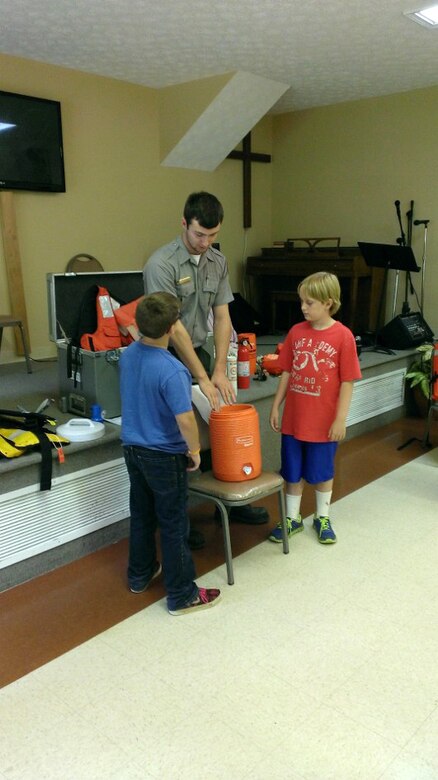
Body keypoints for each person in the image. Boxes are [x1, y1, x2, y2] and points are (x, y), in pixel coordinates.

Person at [143, 191, 269, 530]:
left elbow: (223, 316)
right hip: (163, 357)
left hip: (200, 351)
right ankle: (181, 524)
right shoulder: (161, 264)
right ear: (184, 223)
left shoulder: (217, 261)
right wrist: (201, 376)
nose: (205, 242)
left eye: (213, 236)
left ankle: (227, 504)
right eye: (200, 234)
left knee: (219, 419)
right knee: (177, 437)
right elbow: (175, 327)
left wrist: (218, 369)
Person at [119, 291, 221, 615]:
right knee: (175, 523)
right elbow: (185, 418)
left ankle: (140, 573)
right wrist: (194, 451)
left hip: (132, 449)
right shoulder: (173, 369)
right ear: (171, 328)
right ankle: (181, 594)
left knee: (143, 515)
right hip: (163, 455)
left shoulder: (128, 355)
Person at [267, 271, 361, 545]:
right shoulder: (296, 332)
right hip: (294, 421)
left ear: (328, 303)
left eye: (309, 303)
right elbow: (286, 372)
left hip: (323, 423)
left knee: (322, 472)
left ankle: (322, 516)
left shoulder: (343, 336)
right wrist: (275, 406)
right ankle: (292, 518)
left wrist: (340, 419)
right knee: (292, 471)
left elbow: (347, 382)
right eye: (302, 302)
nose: (303, 307)